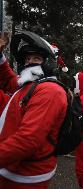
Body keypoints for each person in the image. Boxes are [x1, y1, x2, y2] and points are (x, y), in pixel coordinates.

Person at [0, 30, 68, 189]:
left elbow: (28, 140)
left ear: (48, 63)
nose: (30, 62)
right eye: (27, 59)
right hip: (11, 168)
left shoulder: (50, 91)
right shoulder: (30, 85)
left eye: (36, 58)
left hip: (26, 176)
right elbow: (9, 79)